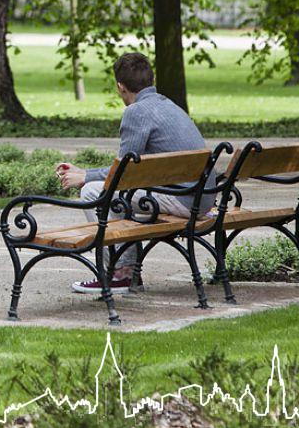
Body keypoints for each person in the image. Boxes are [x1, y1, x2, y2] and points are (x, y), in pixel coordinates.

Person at [55, 52, 214, 295]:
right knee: (112, 194)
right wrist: (87, 172)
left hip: (183, 199)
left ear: (120, 87)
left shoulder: (136, 111)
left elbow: (124, 174)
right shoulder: (169, 105)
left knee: (92, 193)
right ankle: (127, 271)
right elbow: (129, 171)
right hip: (202, 196)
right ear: (150, 79)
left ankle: (120, 274)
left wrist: (85, 177)